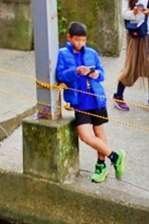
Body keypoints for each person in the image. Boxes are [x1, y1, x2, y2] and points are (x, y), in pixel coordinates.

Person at [56, 21, 124, 183]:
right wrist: (75, 71)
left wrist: (95, 74)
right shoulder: (62, 54)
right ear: (69, 37)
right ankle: (115, 156)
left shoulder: (92, 53)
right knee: (85, 136)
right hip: (79, 101)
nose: (80, 43)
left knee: (99, 132)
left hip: (96, 98)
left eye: (83, 40)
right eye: (77, 40)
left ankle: (101, 166)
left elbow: (102, 73)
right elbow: (60, 76)